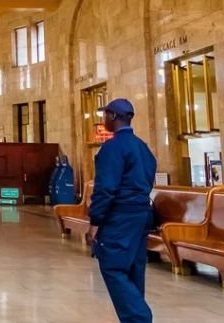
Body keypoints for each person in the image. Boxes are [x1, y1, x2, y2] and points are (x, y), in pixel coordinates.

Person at [87, 98, 156, 323]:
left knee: (113, 266)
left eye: (105, 115)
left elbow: (105, 188)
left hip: (120, 217)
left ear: (113, 116)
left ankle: (139, 318)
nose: (104, 119)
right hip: (142, 215)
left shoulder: (112, 148)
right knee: (135, 269)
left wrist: (95, 222)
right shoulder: (143, 148)